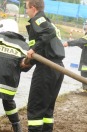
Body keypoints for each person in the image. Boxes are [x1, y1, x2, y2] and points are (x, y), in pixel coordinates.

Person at [25, 0, 65, 131]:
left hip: (46, 69)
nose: (26, 11)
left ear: (33, 8)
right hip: (58, 68)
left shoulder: (38, 19)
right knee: (47, 108)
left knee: (35, 107)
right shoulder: (46, 20)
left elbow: (49, 33)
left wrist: (34, 49)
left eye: (26, 8)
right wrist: (27, 62)